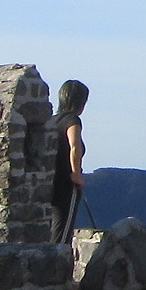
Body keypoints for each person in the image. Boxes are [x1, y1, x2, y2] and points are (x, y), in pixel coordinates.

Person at [52, 80, 89, 240]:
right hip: (66, 183)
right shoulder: (72, 120)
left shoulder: (51, 120)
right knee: (63, 230)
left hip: (49, 181)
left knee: (50, 226)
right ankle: (56, 261)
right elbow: (74, 145)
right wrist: (76, 174)